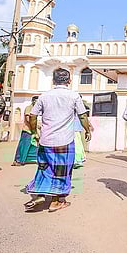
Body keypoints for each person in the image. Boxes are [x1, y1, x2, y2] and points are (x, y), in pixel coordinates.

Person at [24, 69, 92, 213]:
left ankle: (40, 193)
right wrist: (87, 130)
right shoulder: (73, 96)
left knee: (44, 168)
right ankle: (55, 201)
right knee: (62, 171)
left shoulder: (44, 96)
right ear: (69, 81)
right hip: (64, 141)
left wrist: (34, 132)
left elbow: (32, 116)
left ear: (53, 81)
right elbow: (82, 116)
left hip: (45, 140)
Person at [12, 96, 39, 166]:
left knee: (33, 147)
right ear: (33, 101)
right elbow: (28, 119)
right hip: (27, 130)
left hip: (32, 130)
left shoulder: (35, 109)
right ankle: (18, 160)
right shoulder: (29, 108)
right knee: (23, 146)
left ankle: (25, 159)